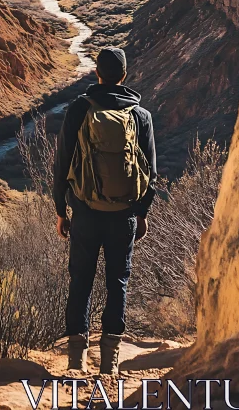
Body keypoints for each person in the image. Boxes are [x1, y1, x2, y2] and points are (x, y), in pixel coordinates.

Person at [53, 46, 157, 376]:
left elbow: (62, 164)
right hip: (124, 214)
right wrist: (141, 213)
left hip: (85, 211)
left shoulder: (79, 109)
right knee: (118, 281)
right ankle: (110, 362)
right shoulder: (141, 116)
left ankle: (76, 360)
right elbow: (150, 172)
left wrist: (61, 210)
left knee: (80, 280)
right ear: (124, 76)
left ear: (97, 73)